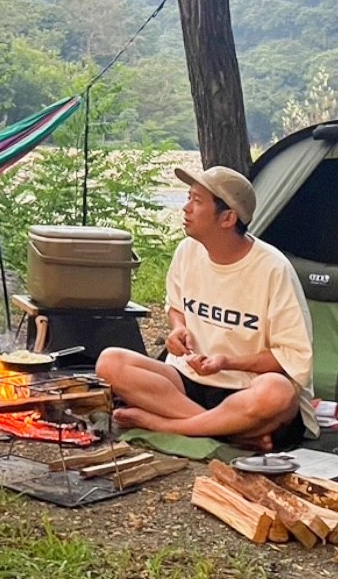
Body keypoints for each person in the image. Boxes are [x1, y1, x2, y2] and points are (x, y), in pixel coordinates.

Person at [96, 164, 317, 449]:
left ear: (227, 218)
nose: (186, 208)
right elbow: (177, 308)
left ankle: (162, 423)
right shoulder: (187, 251)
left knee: (277, 393)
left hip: (245, 388)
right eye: (188, 198)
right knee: (110, 362)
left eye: (197, 201)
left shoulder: (273, 269)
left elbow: (290, 359)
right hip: (186, 383)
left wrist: (228, 362)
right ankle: (229, 432)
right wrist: (178, 329)